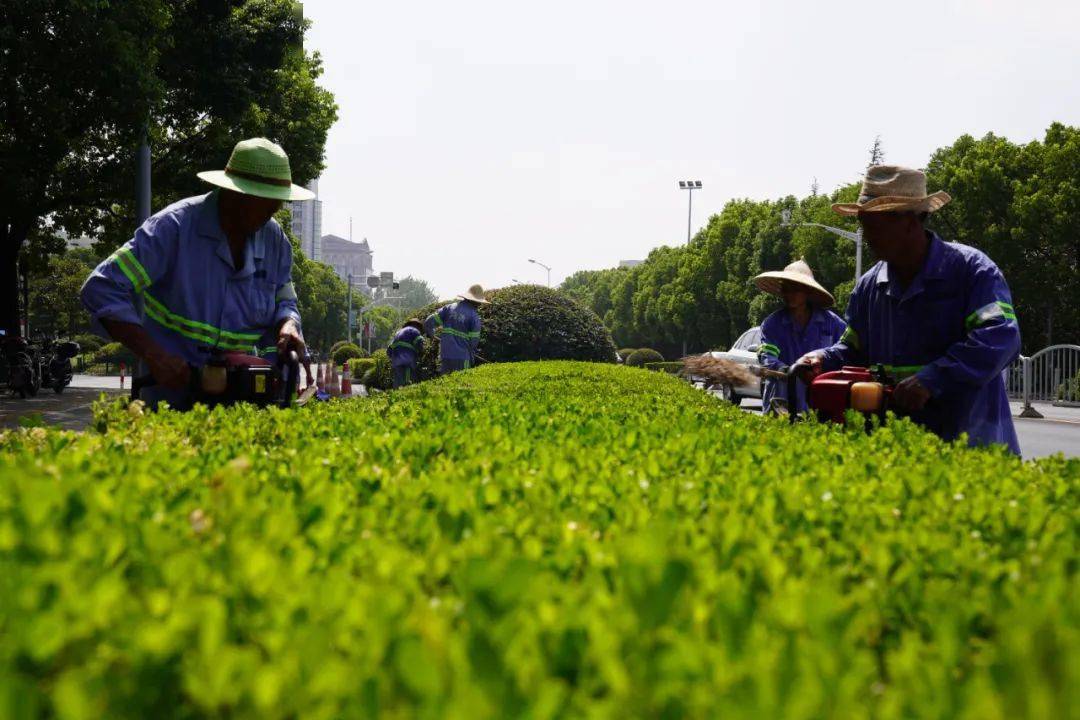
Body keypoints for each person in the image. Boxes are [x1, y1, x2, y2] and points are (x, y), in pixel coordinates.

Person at [794, 165, 1021, 454]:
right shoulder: (868, 287)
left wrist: (934, 378)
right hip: (898, 452)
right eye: (863, 225)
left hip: (970, 445)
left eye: (875, 225)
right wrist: (821, 359)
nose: (867, 236)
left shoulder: (971, 271)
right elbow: (852, 349)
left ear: (911, 222)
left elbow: (1000, 337)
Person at [81, 137, 313, 409]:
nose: (275, 209)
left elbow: (285, 300)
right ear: (236, 194)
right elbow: (101, 287)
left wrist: (289, 323)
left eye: (279, 201)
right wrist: (155, 356)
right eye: (267, 201)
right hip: (170, 398)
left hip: (242, 402)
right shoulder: (173, 228)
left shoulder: (275, 241)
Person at [753, 259, 846, 414]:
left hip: (819, 403)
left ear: (807, 291)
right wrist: (789, 371)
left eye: (795, 289)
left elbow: (846, 352)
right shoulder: (772, 325)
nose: (789, 294)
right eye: (786, 289)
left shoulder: (833, 324)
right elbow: (767, 357)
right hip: (781, 401)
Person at [425, 285, 488, 374]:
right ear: (475, 301)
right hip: (462, 358)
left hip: (445, 356)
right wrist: (472, 355)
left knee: (446, 384)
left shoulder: (449, 308)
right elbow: (473, 342)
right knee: (461, 384)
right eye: (479, 302)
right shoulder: (474, 317)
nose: (480, 304)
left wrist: (430, 333)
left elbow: (429, 321)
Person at [388, 318, 425, 388]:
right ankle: (407, 392)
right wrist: (421, 352)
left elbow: (389, 349)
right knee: (407, 379)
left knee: (398, 378)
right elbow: (419, 342)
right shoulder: (415, 330)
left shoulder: (398, 332)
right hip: (407, 359)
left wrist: (392, 358)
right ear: (417, 326)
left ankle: (397, 394)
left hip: (396, 360)